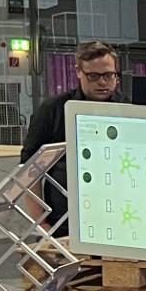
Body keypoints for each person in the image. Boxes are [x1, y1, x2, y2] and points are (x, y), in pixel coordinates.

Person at [20, 41, 124, 228]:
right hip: (63, 223)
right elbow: (29, 169)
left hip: (118, 218)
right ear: (78, 72)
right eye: (93, 76)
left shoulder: (128, 108)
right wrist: (41, 223)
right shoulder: (53, 110)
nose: (102, 82)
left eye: (109, 75)